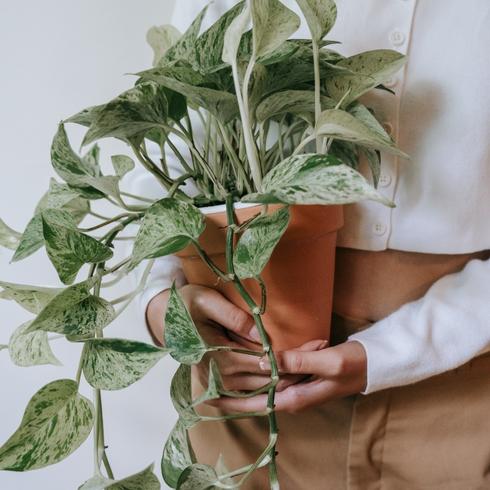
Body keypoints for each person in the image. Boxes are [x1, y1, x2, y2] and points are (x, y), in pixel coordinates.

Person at [134, 1, 490, 488]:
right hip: (252, 378)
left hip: (459, 390)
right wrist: (163, 307)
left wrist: (394, 352)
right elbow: (165, 170)